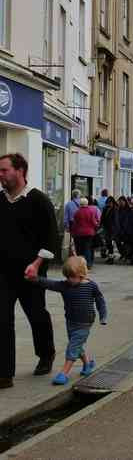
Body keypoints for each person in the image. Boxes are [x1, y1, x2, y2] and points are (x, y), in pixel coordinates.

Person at [0, 153, 58, 389]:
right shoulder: (0, 200)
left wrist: (36, 264)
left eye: (4, 170)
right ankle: (4, 373)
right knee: (2, 320)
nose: (1, 175)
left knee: (37, 315)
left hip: (31, 273)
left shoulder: (39, 200)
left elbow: (51, 239)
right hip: (3, 273)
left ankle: (46, 353)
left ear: (20, 171)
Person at [25, 256, 107, 385]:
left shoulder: (91, 286)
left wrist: (103, 316)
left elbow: (100, 301)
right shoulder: (65, 285)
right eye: (67, 277)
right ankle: (87, 364)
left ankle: (64, 373)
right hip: (71, 322)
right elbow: (49, 283)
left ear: (82, 274)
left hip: (85, 323)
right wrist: (34, 278)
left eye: (72, 277)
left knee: (72, 347)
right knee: (76, 346)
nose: (69, 280)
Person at [71, 198, 99, 269]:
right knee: (87, 248)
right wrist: (97, 226)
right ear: (87, 203)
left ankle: (80, 264)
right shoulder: (90, 211)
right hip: (89, 233)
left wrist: (73, 232)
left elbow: (75, 224)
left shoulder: (77, 212)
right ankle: (88, 264)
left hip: (79, 233)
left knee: (79, 249)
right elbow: (93, 222)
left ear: (80, 204)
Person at [100, 197, 119, 264]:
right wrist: (101, 225)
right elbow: (102, 218)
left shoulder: (115, 209)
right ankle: (109, 257)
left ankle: (111, 258)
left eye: (111, 202)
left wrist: (115, 229)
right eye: (108, 203)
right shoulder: (105, 209)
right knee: (108, 243)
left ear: (113, 203)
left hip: (112, 229)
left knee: (110, 244)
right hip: (106, 228)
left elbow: (116, 220)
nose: (109, 204)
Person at [63, 189, 81, 255]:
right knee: (80, 239)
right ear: (79, 195)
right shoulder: (82, 203)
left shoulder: (68, 204)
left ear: (72, 195)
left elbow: (66, 217)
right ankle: (79, 253)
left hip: (72, 223)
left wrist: (67, 226)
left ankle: (73, 254)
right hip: (81, 223)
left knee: (73, 240)